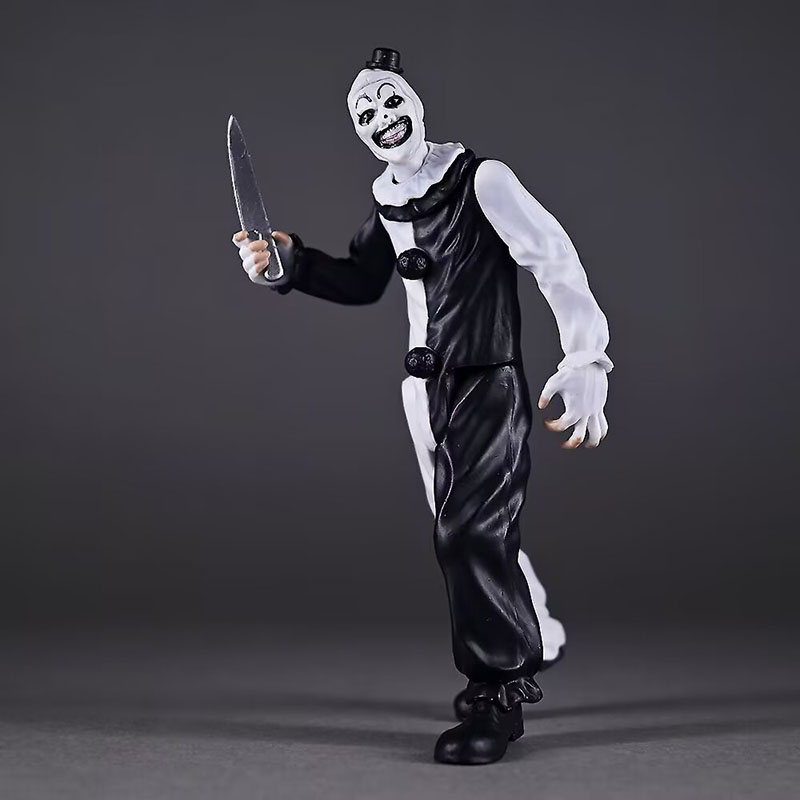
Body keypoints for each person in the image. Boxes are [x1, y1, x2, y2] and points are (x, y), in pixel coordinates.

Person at [231, 48, 612, 765]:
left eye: (389, 100)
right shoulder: (387, 198)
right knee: (467, 525)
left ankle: (496, 692)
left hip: (486, 382)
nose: (382, 118)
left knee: (467, 534)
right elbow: (361, 279)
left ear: (415, 101)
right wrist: (290, 265)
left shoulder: (481, 179)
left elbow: (554, 259)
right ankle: (535, 628)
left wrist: (587, 356)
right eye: (364, 113)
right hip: (423, 393)